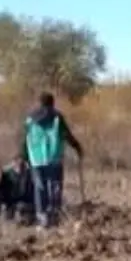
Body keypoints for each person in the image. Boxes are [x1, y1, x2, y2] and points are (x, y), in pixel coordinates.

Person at [19, 92, 84, 229]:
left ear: (39, 102)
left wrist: (23, 156)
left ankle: (42, 218)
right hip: (54, 157)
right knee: (55, 186)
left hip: (36, 159)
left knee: (39, 188)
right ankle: (54, 215)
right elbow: (66, 135)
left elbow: (25, 139)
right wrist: (77, 147)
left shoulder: (30, 119)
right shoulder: (57, 117)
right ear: (52, 103)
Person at [0, 156, 34, 223]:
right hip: (9, 201)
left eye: (21, 164)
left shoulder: (29, 174)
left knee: (22, 211)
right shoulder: (6, 174)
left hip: (24, 201)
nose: (19, 166)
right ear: (13, 164)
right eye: (17, 164)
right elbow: (1, 189)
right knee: (5, 218)